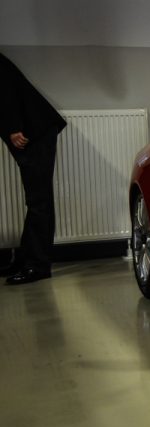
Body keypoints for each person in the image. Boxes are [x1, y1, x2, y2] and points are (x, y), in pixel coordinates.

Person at [0, 52, 66, 285]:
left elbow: (5, 90)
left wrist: (13, 127)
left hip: (33, 133)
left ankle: (38, 266)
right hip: (32, 131)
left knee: (39, 201)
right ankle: (26, 259)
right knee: (36, 201)